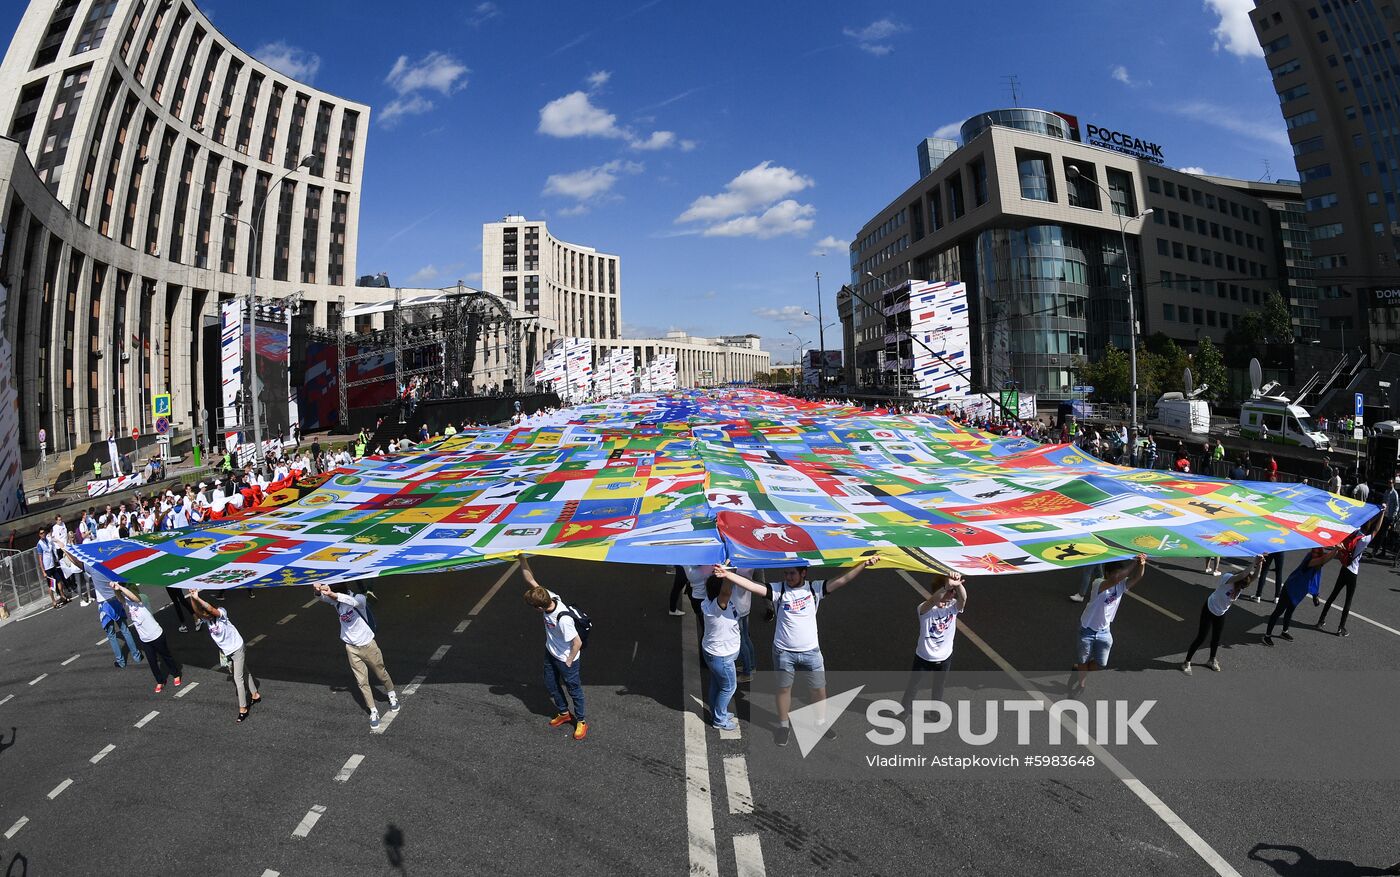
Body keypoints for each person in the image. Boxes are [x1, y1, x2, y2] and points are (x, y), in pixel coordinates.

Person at [712, 557, 879, 746]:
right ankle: (783, 726)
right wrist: (728, 575)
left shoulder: (815, 589)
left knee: (818, 690)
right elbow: (752, 586)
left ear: (803, 573)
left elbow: (842, 580)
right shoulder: (779, 589)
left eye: (792, 573)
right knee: (783, 690)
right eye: (786, 573)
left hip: (812, 652)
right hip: (784, 652)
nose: (788, 577)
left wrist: (864, 565)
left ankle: (820, 723)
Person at [520, 555, 588, 740]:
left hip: (567, 659)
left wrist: (567, 660)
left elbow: (577, 643)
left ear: (539, 608)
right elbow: (530, 579)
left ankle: (581, 721)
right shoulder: (547, 595)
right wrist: (521, 558)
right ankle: (564, 713)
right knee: (551, 684)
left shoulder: (563, 620)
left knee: (574, 690)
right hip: (551, 653)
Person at [313, 582, 399, 727]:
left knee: (381, 673)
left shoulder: (359, 598)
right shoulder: (337, 603)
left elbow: (350, 601)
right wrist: (316, 590)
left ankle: (391, 694)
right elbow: (321, 598)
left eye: (333, 593)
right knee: (361, 681)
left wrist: (333, 595)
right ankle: (373, 710)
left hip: (368, 645)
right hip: (351, 648)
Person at [1070, 555, 1147, 697]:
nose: (1120, 576)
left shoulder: (1121, 585)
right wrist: (1134, 563)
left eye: (1121, 572)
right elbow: (1115, 579)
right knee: (1083, 659)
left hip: (1104, 631)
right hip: (1087, 630)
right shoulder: (1098, 583)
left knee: (1101, 663)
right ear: (1107, 574)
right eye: (1117, 572)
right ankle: (1081, 681)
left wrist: (1141, 564)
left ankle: (1081, 668)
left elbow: (1137, 578)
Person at [899, 571, 967, 712]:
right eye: (951, 591)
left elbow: (964, 599)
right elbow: (932, 601)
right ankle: (904, 712)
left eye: (954, 592)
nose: (953, 594)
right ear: (940, 590)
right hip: (924, 657)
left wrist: (958, 584)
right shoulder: (925, 609)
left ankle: (935, 711)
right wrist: (946, 587)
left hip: (945, 657)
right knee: (913, 686)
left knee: (939, 686)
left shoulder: (953, 606)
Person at [1181, 556, 1263, 674]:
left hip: (1220, 613)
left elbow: (1253, 577)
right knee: (1201, 637)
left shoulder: (1241, 585)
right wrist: (1254, 562)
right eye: (1241, 586)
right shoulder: (1228, 579)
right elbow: (1243, 574)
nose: (1241, 589)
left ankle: (1211, 660)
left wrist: (1259, 564)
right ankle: (1186, 662)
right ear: (1239, 582)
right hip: (1209, 609)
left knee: (1216, 637)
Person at [188, 591, 261, 722]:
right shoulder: (207, 619)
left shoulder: (221, 613)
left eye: (206, 613)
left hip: (237, 648)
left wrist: (198, 597)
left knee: (237, 678)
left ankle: (243, 709)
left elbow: (210, 609)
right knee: (244, 671)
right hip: (227, 651)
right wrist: (192, 599)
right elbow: (198, 613)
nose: (204, 616)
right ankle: (255, 694)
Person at [1318, 513, 1384, 637]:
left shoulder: (1355, 532)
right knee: (1348, 600)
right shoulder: (1364, 540)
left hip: (1344, 567)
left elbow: (1368, 523)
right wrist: (1382, 513)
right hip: (1353, 572)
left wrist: (1376, 514)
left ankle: (1321, 620)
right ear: (1369, 527)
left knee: (1333, 595)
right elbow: (1376, 529)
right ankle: (1341, 627)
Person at [1263, 545, 1344, 646]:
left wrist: (1315, 595)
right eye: (1315, 554)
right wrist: (1336, 550)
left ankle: (1284, 632)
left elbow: (1318, 573)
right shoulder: (1310, 561)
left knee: (1290, 611)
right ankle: (1267, 636)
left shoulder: (1316, 564)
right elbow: (1323, 560)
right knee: (1278, 612)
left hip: (1299, 591)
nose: (1315, 555)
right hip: (1290, 588)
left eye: (1317, 554)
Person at [112, 583, 182, 692]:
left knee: (166, 656)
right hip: (145, 639)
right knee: (152, 662)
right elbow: (121, 599)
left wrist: (121, 588)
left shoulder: (141, 600)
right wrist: (115, 589)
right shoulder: (129, 603)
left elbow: (134, 597)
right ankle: (160, 681)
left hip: (156, 634)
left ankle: (176, 674)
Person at [697, 570, 742, 731]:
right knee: (729, 687)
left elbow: (725, 592)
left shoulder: (707, 603)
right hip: (721, 657)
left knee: (717, 684)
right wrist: (730, 574)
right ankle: (719, 719)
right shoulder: (717, 606)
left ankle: (716, 712)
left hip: (714, 653)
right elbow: (726, 591)